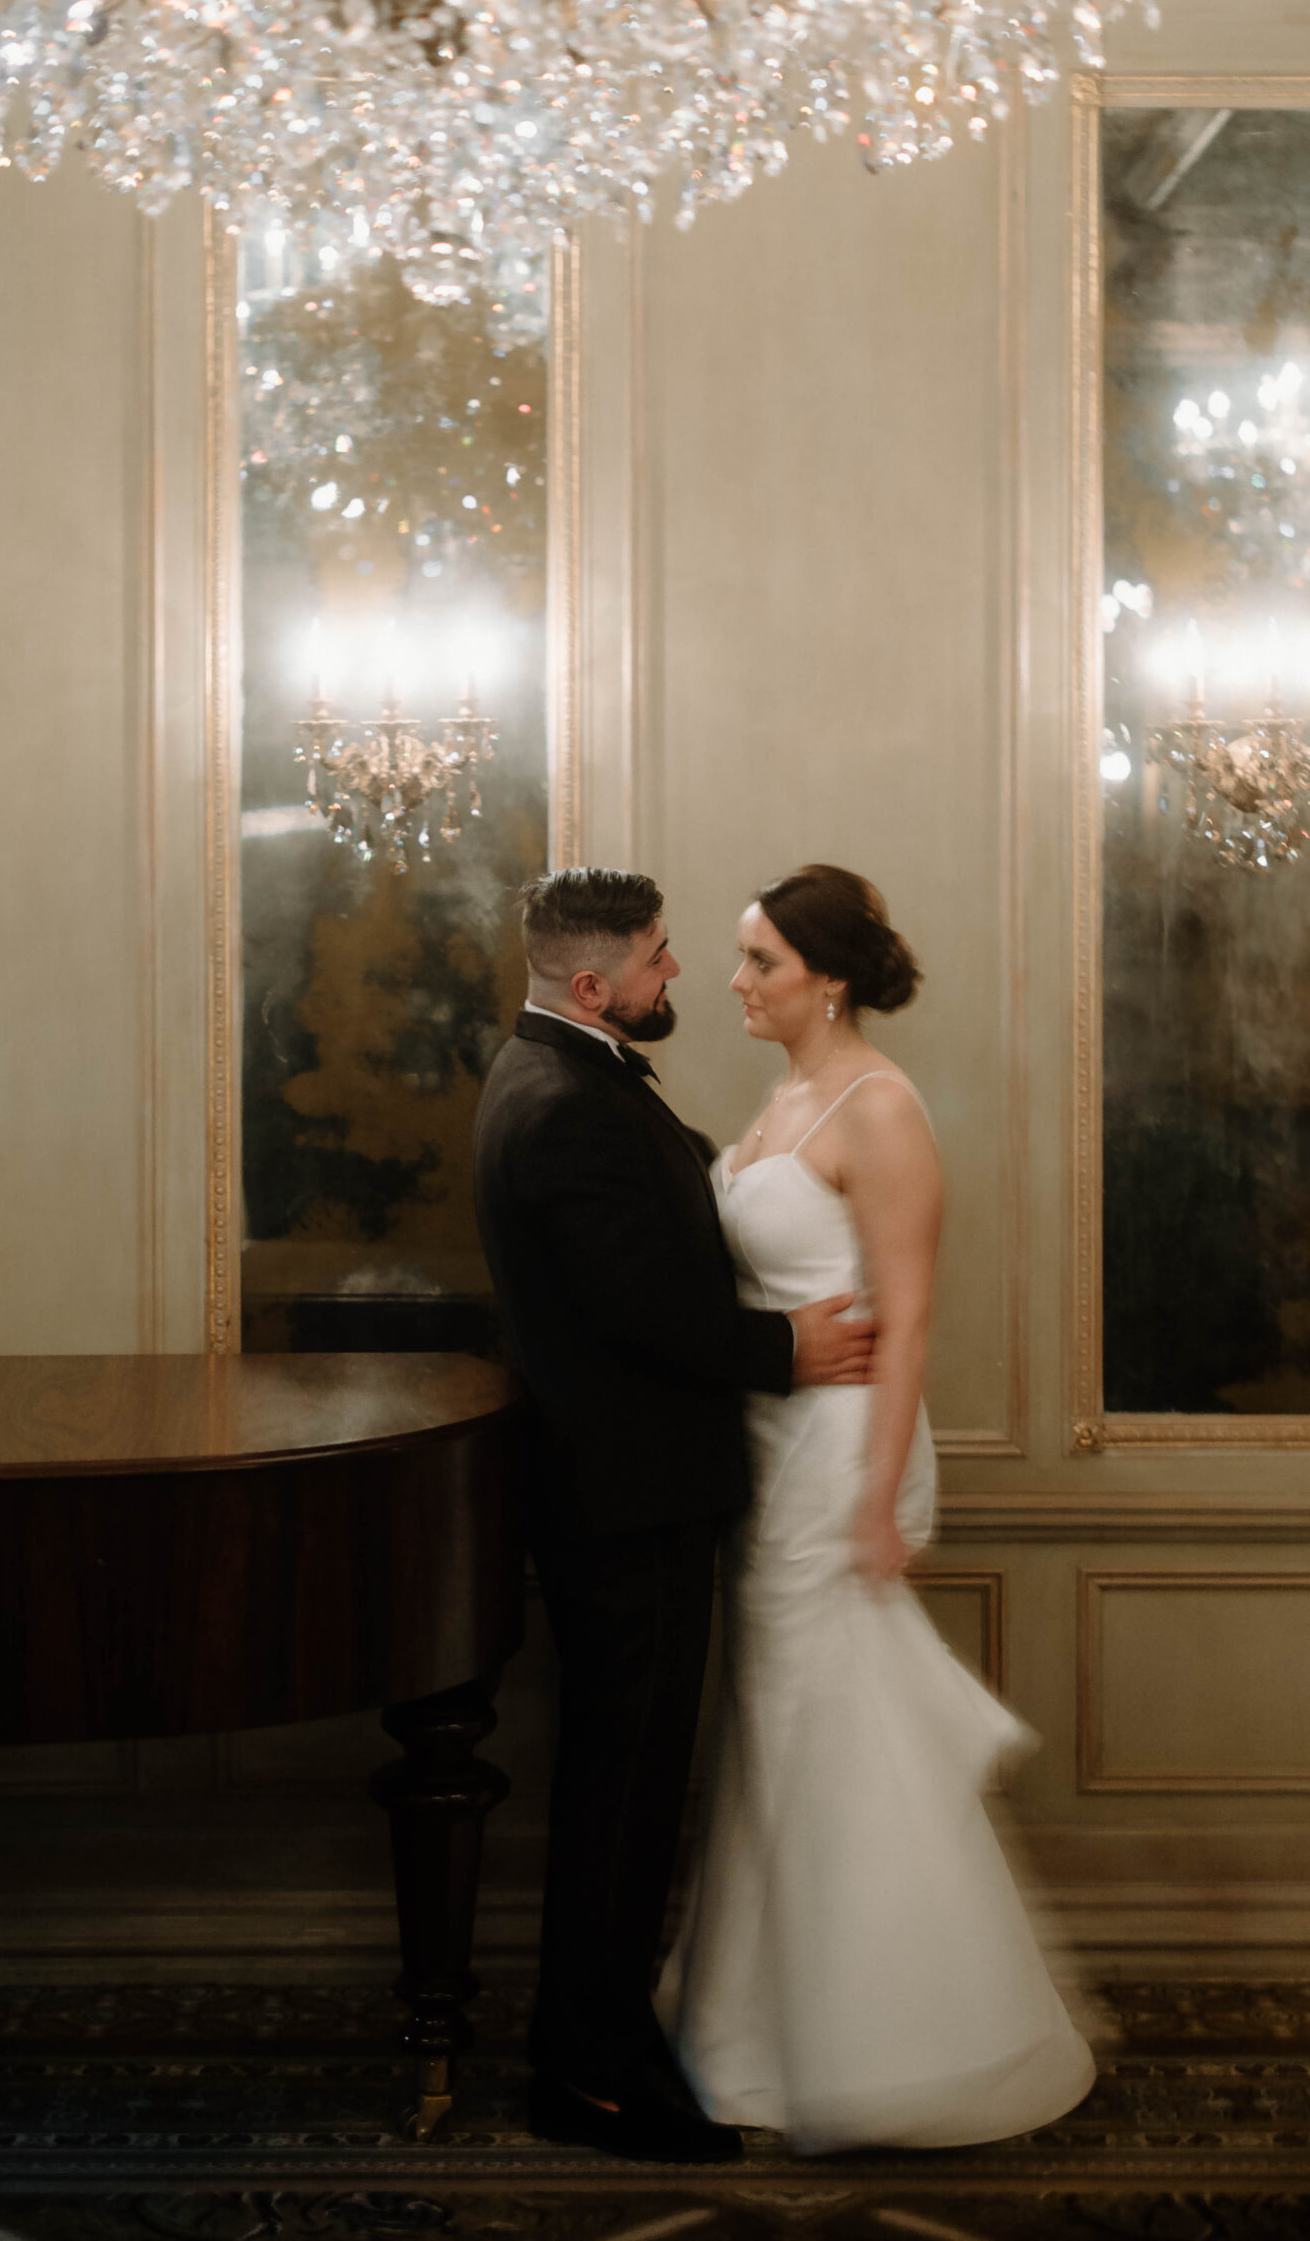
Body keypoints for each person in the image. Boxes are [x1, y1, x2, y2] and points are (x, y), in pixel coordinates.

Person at [659, 862, 1097, 2152]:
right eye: (740, 959)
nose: (736, 981)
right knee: (773, 1723)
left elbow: (906, 1326)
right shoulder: (786, 1093)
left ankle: (899, 2038)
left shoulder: (881, 1106)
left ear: (829, 977)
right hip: (767, 1440)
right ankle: (766, 2027)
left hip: (844, 1447)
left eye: (760, 963)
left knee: (821, 1725)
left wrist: (873, 1501)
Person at [472, 867, 878, 2165]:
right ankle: (588, 2078)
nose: (678, 975)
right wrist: (789, 1352)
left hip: (626, 1497)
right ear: (593, 985)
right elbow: (644, 1308)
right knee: (623, 1796)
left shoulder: (560, 1075)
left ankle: (601, 2048)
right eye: (657, 958)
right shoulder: (567, 1105)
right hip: (626, 1506)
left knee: (629, 1790)